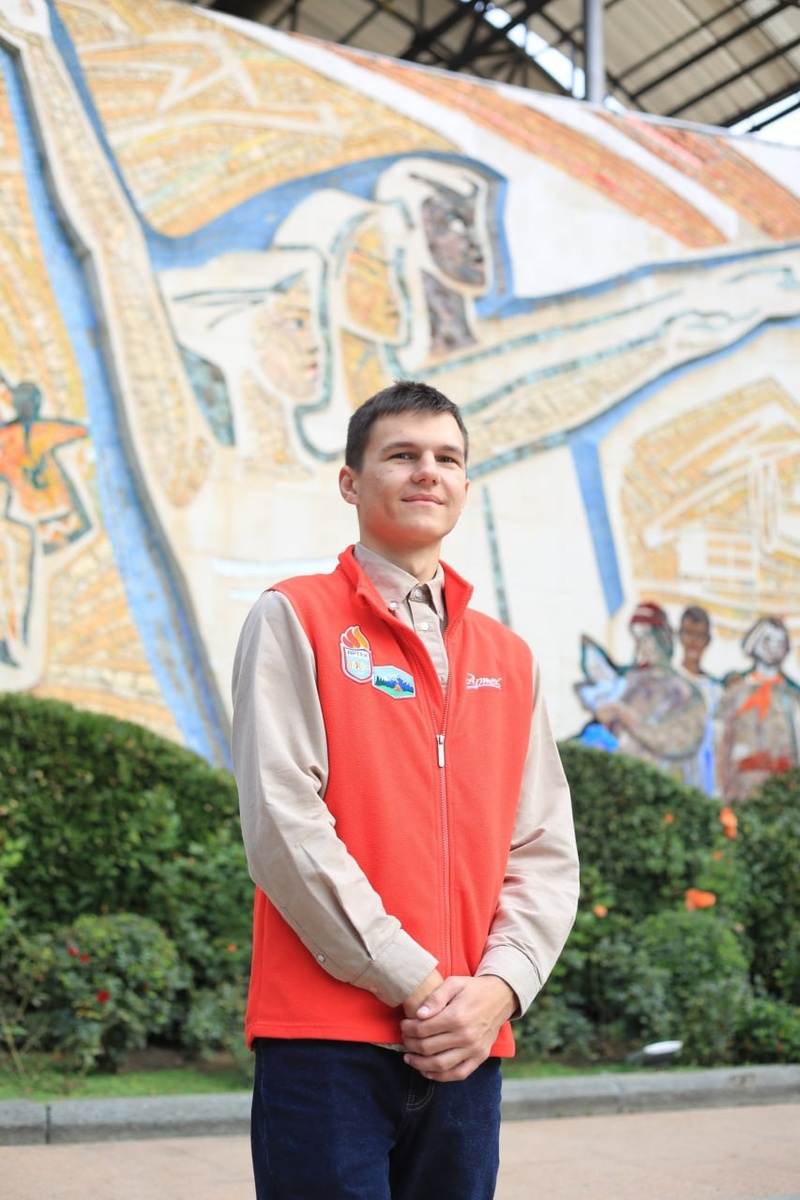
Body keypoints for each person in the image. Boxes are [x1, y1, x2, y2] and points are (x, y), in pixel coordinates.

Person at [231, 379, 579, 1200]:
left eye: (447, 458)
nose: (428, 472)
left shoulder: (509, 657)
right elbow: (283, 823)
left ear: (465, 484)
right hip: (327, 1043)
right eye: (402, 455)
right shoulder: (294, 618)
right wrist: (421, 987)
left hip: (467, 1047)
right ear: (350, 482)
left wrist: (498, 991)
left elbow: (543, 849)